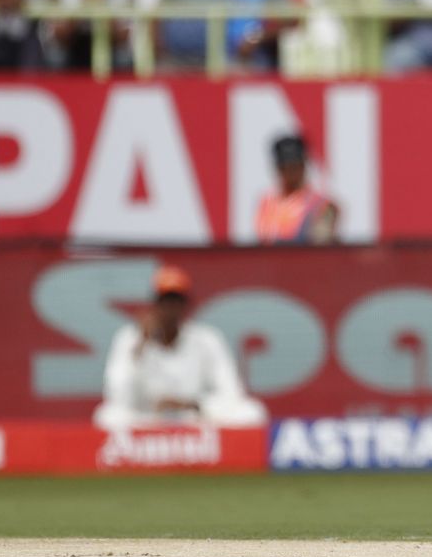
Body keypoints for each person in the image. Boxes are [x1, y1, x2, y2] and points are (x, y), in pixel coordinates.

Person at [94, 265, 268, 431]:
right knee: (107, 416)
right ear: (154, 305)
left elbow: (231, 392)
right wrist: (140, 345)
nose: (170, 309)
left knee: (252, 412)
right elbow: (117, 397)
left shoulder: (206, 339)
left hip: (193, 419)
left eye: (176, 301)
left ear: (186, 305)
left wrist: (191, 404)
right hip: (148, 421)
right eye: (165, 301)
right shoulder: (130, 338)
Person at [255, 133, 341, 244]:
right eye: (284, 167)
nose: (290, 172)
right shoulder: (267, 202)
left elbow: (320, 243)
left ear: (303, 166)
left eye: (295, 166)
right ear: (278, 168)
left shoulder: (321, 205)